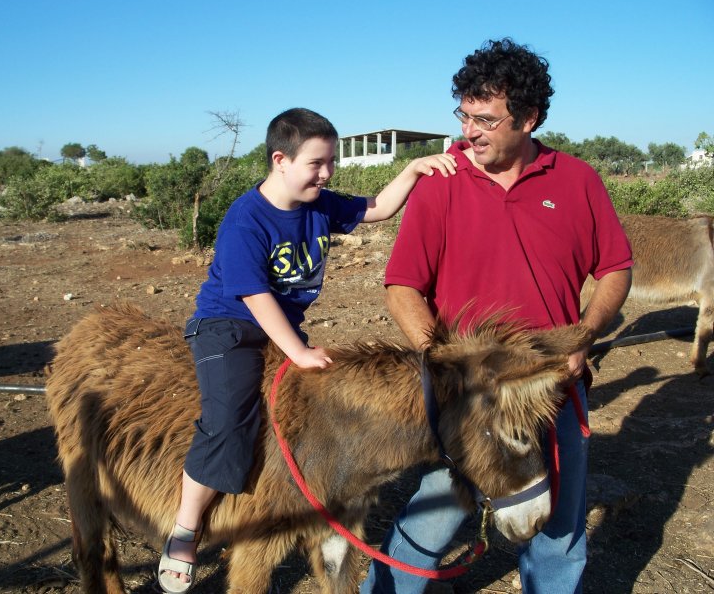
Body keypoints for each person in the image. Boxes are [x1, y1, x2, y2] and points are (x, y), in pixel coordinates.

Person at [360, 39, 633, 594]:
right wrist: (444, 362)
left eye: (485, 119)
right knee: (430, 519)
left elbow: (616, 269)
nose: (469, 131)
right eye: (463, 115)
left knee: (557, 530)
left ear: (529, 118)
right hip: (468, 395)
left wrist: (583, 335)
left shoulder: (577, 180)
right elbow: (402, 286)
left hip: (551, 387)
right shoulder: (442, 183)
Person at [157, 107, 457, 593]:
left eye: (331, 162)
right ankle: (186, 531)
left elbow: (377, 208)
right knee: (228, 419)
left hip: (280, 327)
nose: (327, 172)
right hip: (228, 327)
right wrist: (296, 350)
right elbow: (253, 295)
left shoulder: (319, 205)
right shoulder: (246, 217)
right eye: (317, 163)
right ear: (281, 159)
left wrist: (413, 170)